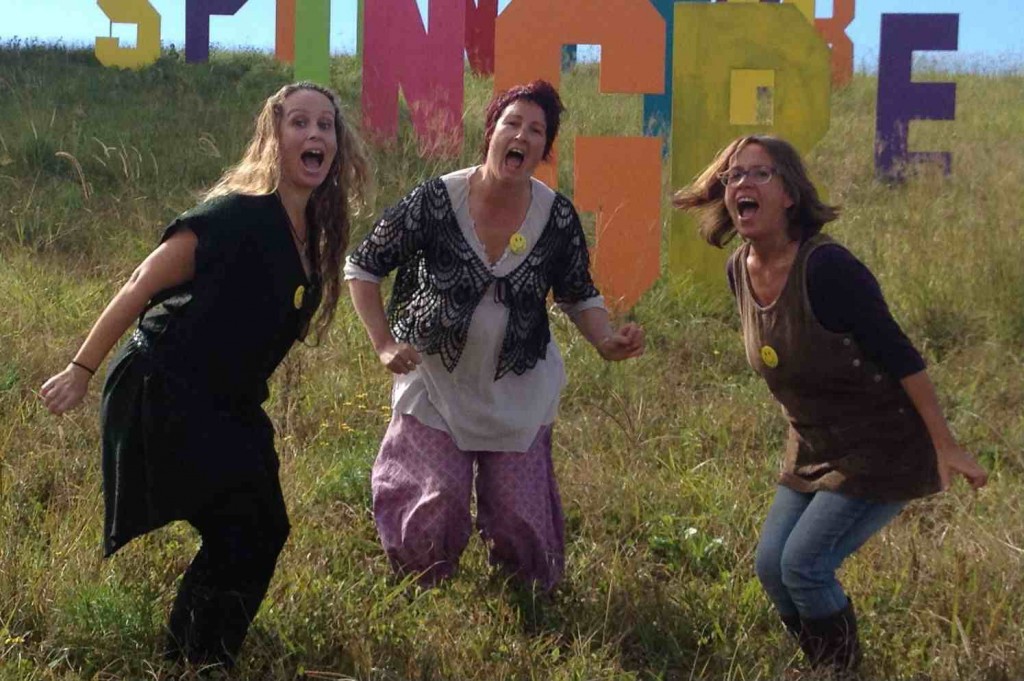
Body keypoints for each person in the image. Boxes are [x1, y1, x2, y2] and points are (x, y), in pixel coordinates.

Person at [39, 82, 370, 669]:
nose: (315, 135)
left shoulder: (310, 233)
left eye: (326, 126)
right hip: (166, 386)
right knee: (245, 523)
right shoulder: (235, 214)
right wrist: (80, 368)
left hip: (229, 401)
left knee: (260, 527)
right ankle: (194, 657)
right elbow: (141, 283)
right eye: (300, 123)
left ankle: (200, 656)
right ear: (274, 135)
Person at [672, 135, 987, 674]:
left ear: (791, 193)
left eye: (759, 174)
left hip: (882, 444)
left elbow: (902, 356)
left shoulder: (828, 268)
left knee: (805, 566)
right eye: (732, 176)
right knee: (773, 568)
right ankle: (823, 664)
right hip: (814, 444)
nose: (741, 184)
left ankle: (840, 671)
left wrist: (946, 444)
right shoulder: (738, 271)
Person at [345, 80, 644, 592]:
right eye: (513, 123)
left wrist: (604, 339)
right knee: (433, 500)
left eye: (536, 130)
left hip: (517, 390)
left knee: (517, 515)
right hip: (438, 383)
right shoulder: (438, 199)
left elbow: (577, 293)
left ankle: (524, 594)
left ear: (543, 150)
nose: (522, 135)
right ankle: (421, 587)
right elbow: (364, 265)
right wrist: (383, 343)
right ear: (491, 132)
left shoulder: (556, 217)